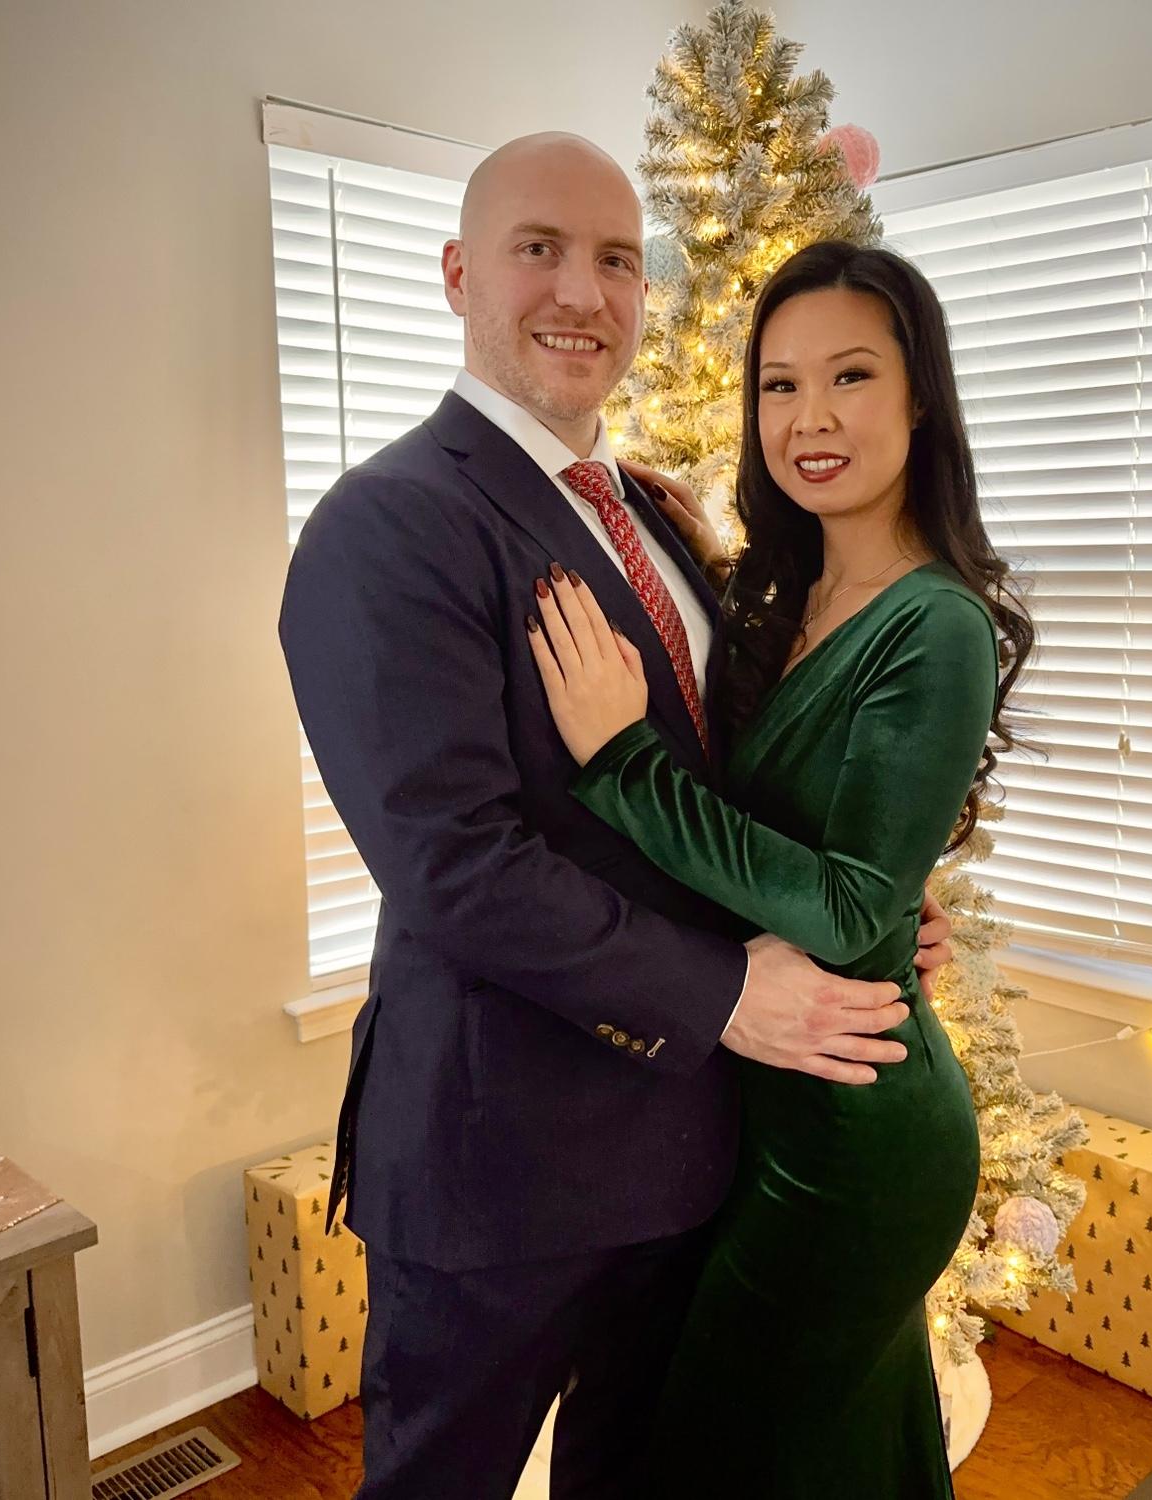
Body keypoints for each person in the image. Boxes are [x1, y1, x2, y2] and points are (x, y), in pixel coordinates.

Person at [277, 134, 957, 1500]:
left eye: (616, 261)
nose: (581, 292)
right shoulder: (385, 525)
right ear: (459, 273)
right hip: (499, 1173)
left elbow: (721, 780)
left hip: (688, 1158)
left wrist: (857, 903)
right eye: (538, 249)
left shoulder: (651, 517)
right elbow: (456, 865)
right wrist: (729, 994)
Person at [527, 238, 1032, 1497]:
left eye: (851, 377)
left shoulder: (939, 624)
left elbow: (851, 911)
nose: (810, 419)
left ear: (921, 398)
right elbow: (815, 841)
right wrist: (682, 550)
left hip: (855, 1139)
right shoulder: (785, 596)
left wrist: (622, 761)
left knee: (715, 1463)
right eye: (779, 385)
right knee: (842, 1457)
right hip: (767, 1107)